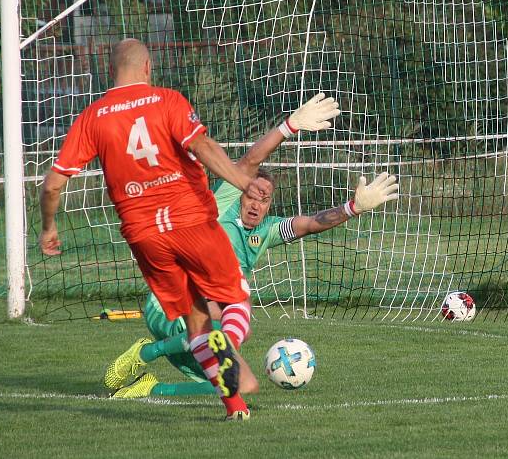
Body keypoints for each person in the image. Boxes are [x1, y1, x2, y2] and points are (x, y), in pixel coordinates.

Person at [103, 94, 399, 400]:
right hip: (169, 305)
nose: (257, 204)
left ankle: (150, 388)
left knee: (231, 381)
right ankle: (146, 352)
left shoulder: (267, 231)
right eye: (252, 195)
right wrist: (289, 127)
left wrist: (354, 207)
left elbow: (310, 223)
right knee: (223, 312)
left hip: (201, 320)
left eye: (265, 199)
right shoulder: (219, 207)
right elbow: (250, 161)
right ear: (241, 191)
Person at [39, 38, 273, 421]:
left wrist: (48, 227)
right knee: (237, 298)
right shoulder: (167, 100)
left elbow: (52, 184)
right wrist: (242, 181)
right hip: (191, 221)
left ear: (111, 69)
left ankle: (235, 408)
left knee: (196, 318)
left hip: (145, 237)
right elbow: (203, 147)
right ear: (147, 67)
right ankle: (227, 345)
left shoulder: (92, 116)